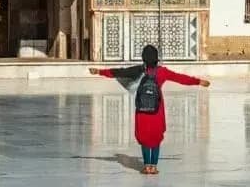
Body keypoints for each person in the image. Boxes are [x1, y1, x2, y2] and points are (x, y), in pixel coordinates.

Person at [90, 44, 210, 174]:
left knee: (144, 137)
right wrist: (198, 82)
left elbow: (118, 72)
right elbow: (180, 78)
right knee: (156, 137)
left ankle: (147, 166)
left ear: (144, 58)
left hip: (142, 109)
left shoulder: (138, 70)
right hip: (157, 109)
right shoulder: (162, 72)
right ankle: (154, 166)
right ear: (156, 58)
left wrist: (99, 71)